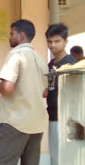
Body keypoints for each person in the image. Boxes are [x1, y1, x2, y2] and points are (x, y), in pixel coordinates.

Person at [0, 19, 48, 165]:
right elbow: (45, 92)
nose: (9, 37)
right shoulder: (40, 59)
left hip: (15, 122)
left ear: (21, 35)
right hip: (37, 122)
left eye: (12, 33)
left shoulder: (16, 55)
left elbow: (7, 88)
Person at [45, 23, 77, 165]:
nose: (53, 45)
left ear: (65, 41)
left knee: (67, 159)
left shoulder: (71, 63)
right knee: (55, 158)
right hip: (53, 116)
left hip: (68, 118)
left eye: (57, 41)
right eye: (50, 42)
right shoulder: (51, 63)